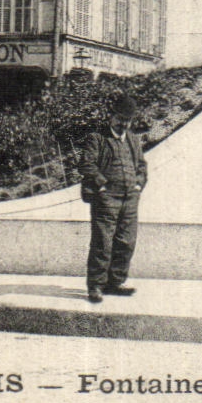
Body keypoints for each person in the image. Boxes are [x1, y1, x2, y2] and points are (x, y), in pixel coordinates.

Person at [80, 94, 147, 304]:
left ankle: (115, 282)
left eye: (127, 120)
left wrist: (138, 185)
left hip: (129, 199)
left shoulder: (134, 140)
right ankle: (96, 286)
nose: (123, 124)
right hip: (106, 199)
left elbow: (142, 167)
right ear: (111, 117)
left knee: (126, 242)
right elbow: (86, 164)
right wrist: (101, 185)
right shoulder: (97, 138)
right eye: (120, 119)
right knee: (103, 242)